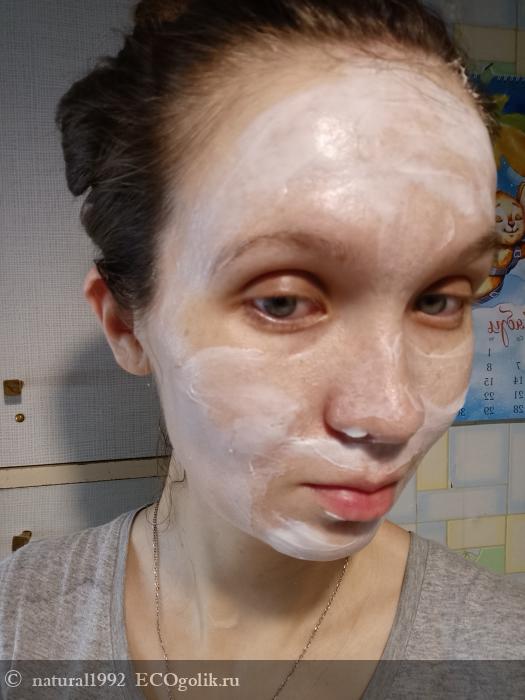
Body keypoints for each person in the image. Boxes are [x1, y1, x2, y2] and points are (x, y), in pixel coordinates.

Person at [1, 0, 524, 698]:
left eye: (439, 300)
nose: (392, 414)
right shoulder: (17, 629)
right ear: (126, 326)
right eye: (281, 301)